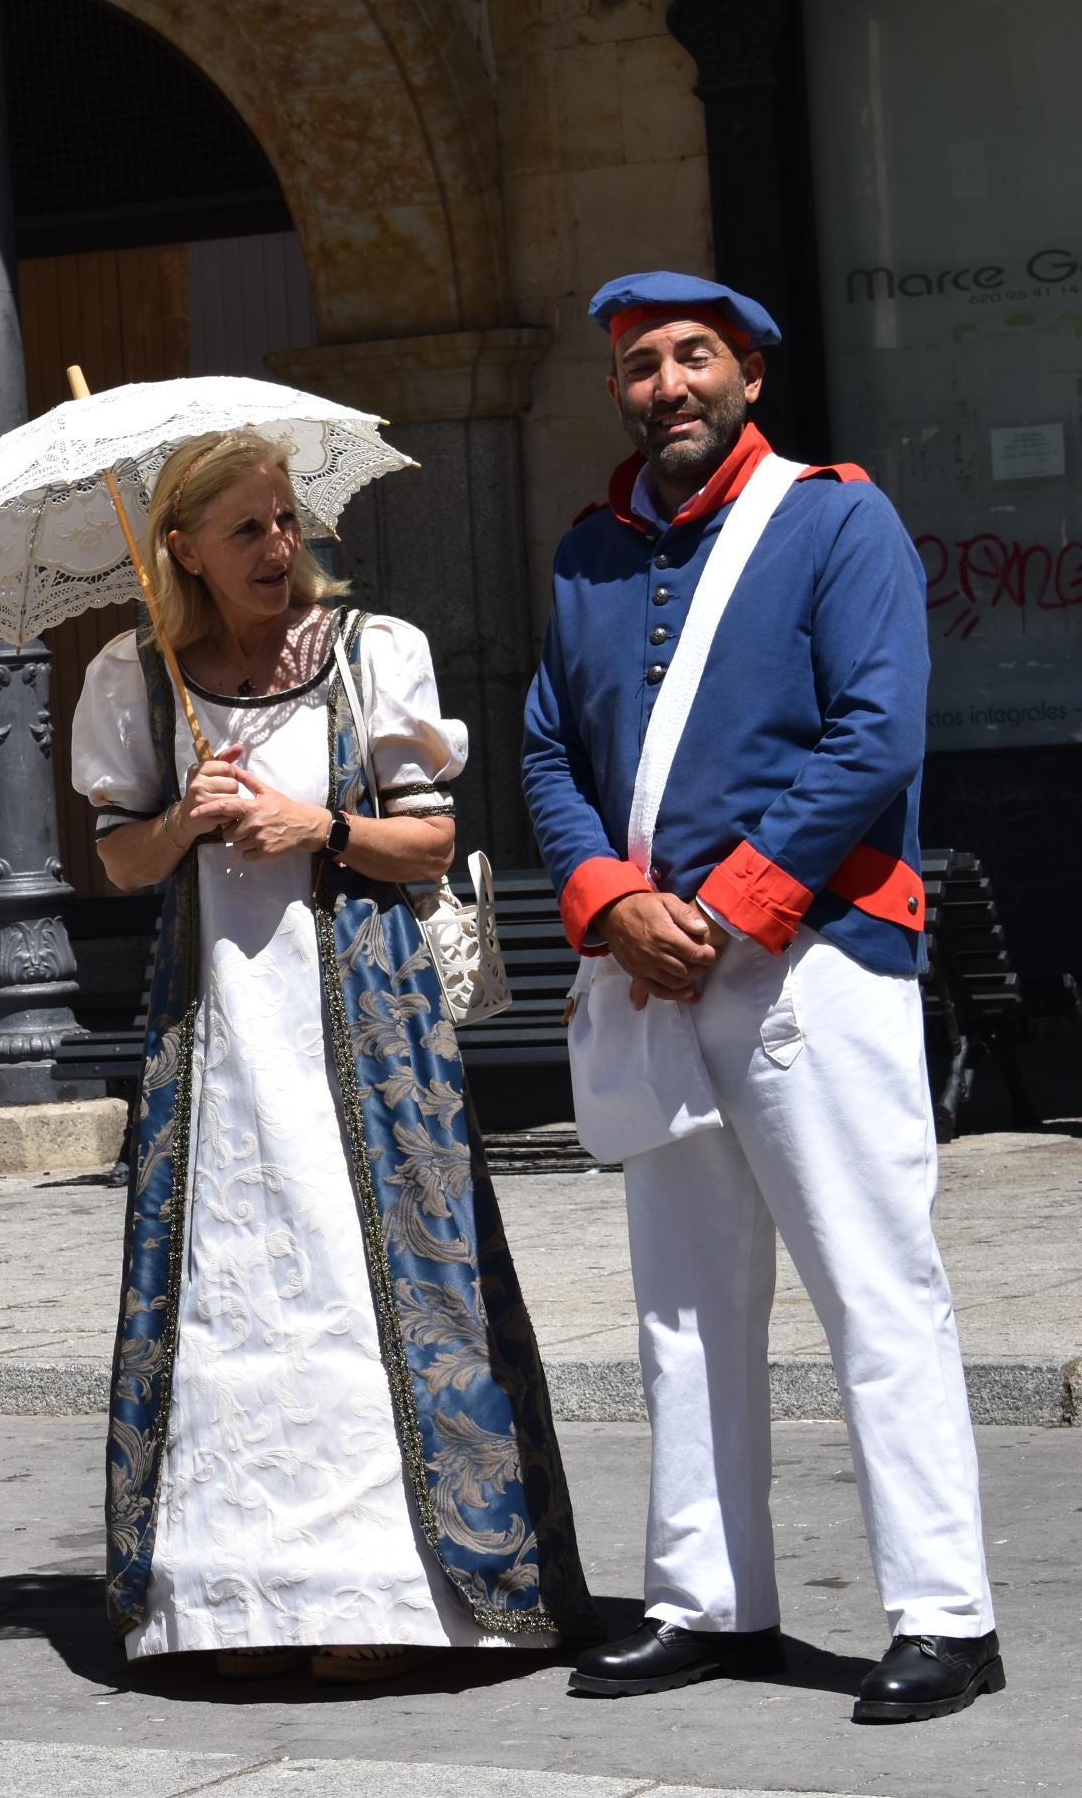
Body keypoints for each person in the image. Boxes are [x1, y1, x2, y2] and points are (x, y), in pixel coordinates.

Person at [526, 272, 1001, 1723]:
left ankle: (946, 1614)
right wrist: (609, 899)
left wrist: (729, 908)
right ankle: (708, 1596)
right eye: (639, 366)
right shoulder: (589, 556)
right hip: (656, 968)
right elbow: (551, 750)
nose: (664, 384)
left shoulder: (835, 517)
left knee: (876, 1286)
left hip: (818, 957)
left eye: (691, 358)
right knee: (681, 1303)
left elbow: (876, 730)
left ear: (748, 373)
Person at [71, 430, 594, 1682]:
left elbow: (430, 840)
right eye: (244, 529)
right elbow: (115, 860)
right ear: (181, 548)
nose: (276, 547)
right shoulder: (140, 680)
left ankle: (399, 1598)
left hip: (364, 1024)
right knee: (233, 1287)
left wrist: (322, 824)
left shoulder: (373, 656)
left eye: (286, 520)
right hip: (217, 1038)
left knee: (379, 1289)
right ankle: (235, 1601)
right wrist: (182, 822)